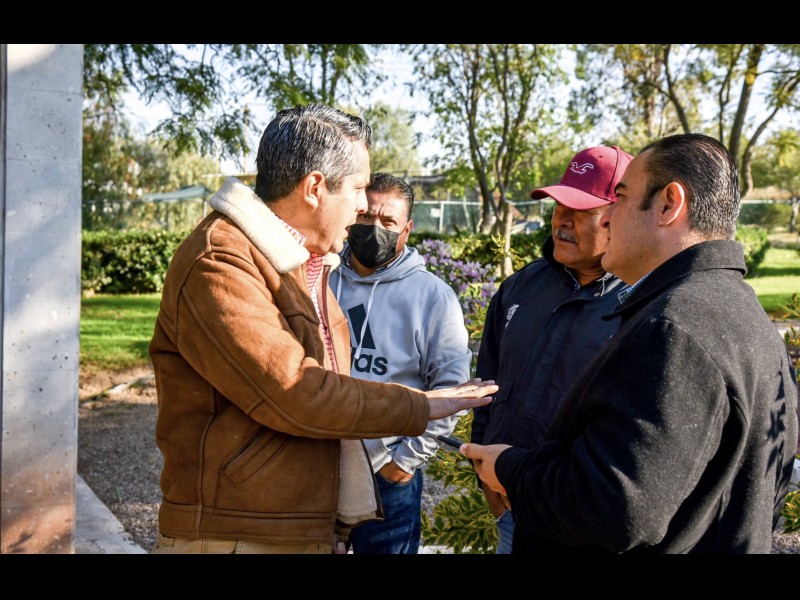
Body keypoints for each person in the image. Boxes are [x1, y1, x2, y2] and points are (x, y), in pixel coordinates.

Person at [148, 103, 497, 555]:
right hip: (236, 532)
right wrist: (420, 405)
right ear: (315, 188)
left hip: (287, 524)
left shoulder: (301, 261)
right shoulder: (221, 261)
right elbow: (297, 391)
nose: (362, 205)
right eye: (358, 188)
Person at [464, 132, 799, 554]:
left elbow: (614, 506)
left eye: (620, 199)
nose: (608, 220)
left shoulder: (674, 327)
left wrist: (511, 470)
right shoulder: (743, 314)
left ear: (669, 204)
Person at [470, 145, 633, 553]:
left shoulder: (639, 307)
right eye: (559, 205)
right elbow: (487, 387)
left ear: (618, 216)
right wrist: (484, 474)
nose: (562, 220)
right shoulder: (520, 287)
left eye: (580, 210)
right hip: (509, 511)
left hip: (580, 525)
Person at [329, 172, 472, 554]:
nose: (374, 227)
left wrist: (404, 463)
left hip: (385, 474)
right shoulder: (320, 279)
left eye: (388, 221)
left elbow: (452, 389)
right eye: (366, 216)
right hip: (316, 465)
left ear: (406, 231)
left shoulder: (432, 296)